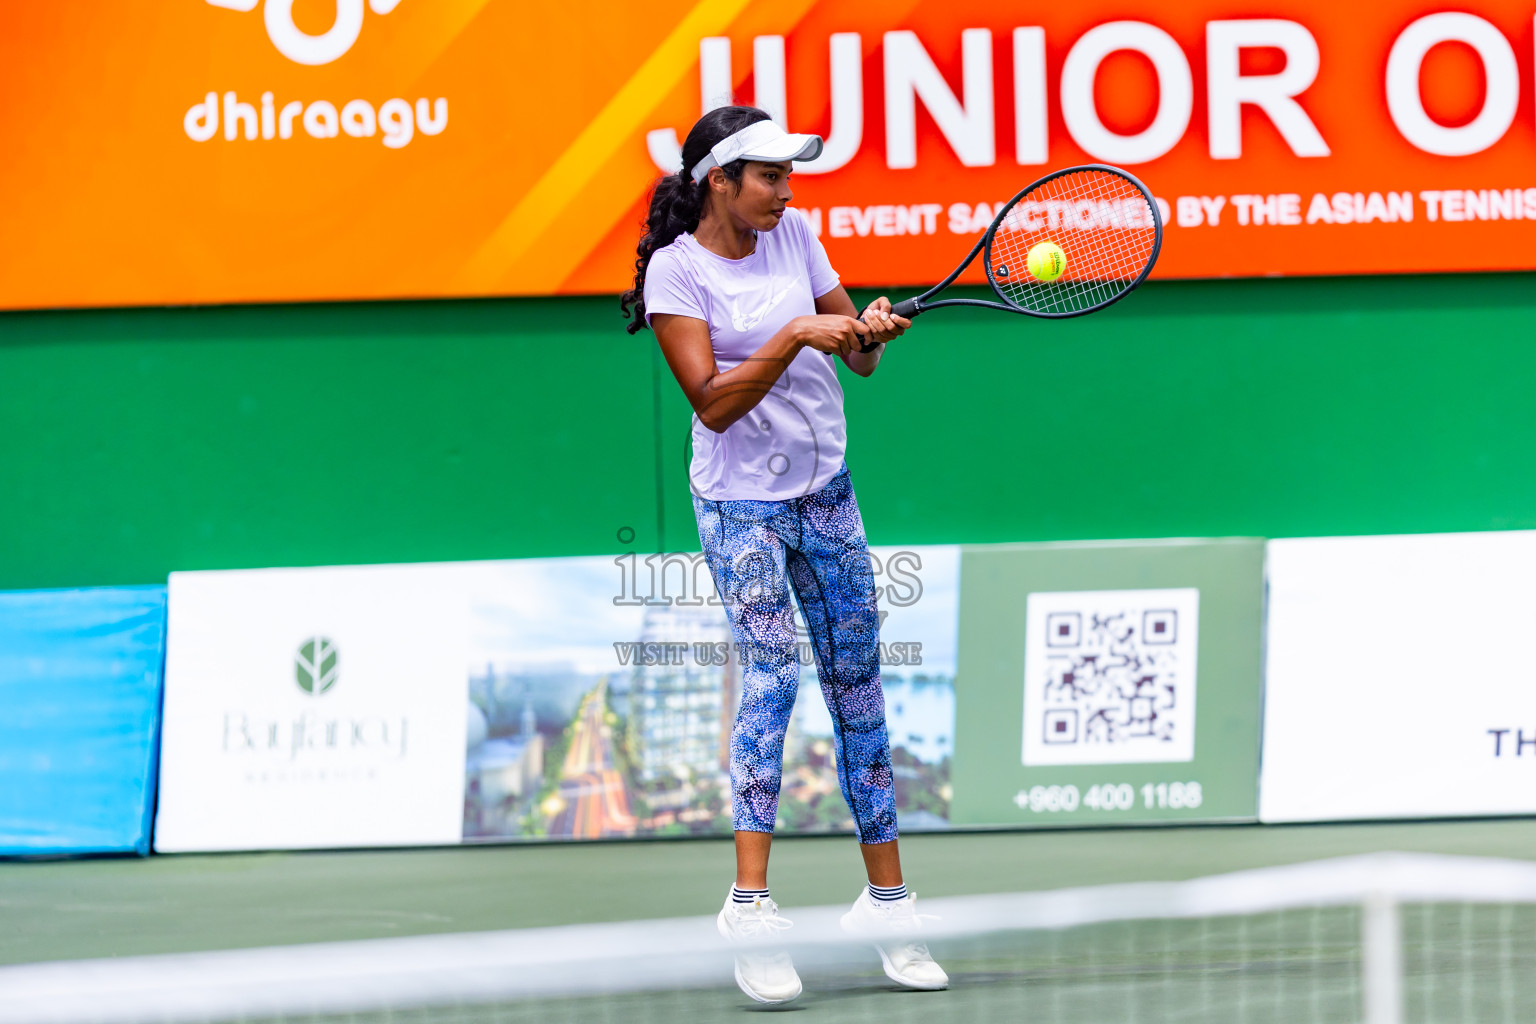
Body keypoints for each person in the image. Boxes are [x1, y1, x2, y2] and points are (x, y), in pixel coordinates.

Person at [620, 105, 948, 1004]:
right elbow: (713, 404)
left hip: (826, 490)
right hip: (739, 507)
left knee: (858, 680)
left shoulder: (797, 234)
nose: (786, 190)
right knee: (771, 674)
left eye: (788, 175)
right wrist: (794, 333)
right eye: (768, 175)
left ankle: (889, 900)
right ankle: (752, 907)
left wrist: (864, 330)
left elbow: (860, 363)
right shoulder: (674, 276)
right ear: (718, 181)